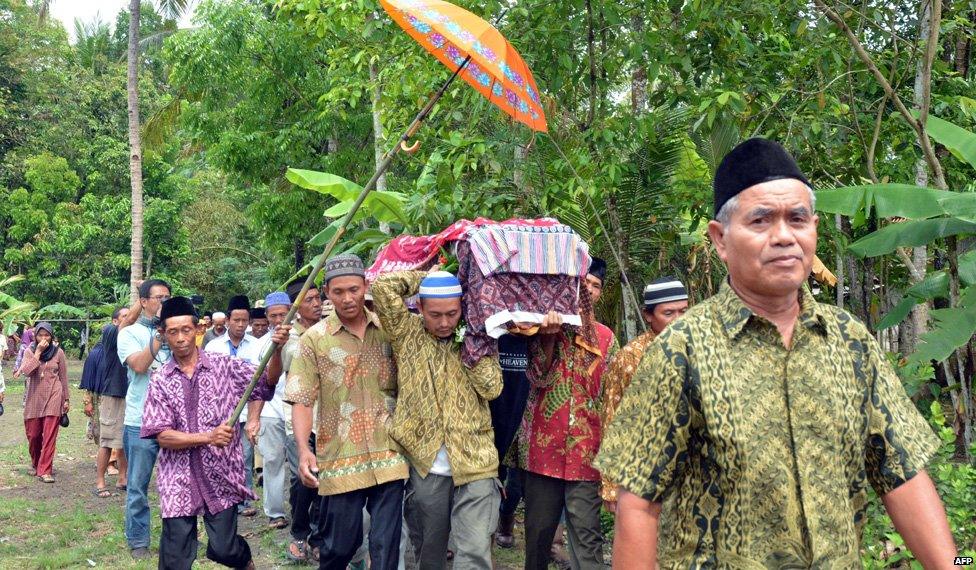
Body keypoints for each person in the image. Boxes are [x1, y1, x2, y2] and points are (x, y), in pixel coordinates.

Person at [596, 138, 958, 567]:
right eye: (761, 220)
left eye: (797, 219)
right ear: (721, 239)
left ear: (814, 229)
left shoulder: (851, 341)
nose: (783, 236)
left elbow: (901, 476)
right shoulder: (681, 350)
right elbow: (639, 503)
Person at [140, 296, 287, 570]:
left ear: (197, 330)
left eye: (186, 330)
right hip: (178, 478)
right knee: (175, 559)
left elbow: (266, 383)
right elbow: (162, 435)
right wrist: (208, 437)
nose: (181, 338)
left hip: (221, 474)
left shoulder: (224, 367)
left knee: (224, 549)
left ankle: (244, 560)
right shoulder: (159, 379)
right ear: (164, 335)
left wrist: (277, 351)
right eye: (173, 332)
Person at [372, 269, 502, 569]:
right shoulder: (406, 332)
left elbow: (493, 388)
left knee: (473, 551)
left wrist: (473, 350)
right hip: (425, 464)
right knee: (429, 553)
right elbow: (382, 287)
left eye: (452, 313)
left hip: (476, 461)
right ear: (419, 307)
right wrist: (428, 276)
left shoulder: (478, 336)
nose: (444, 322)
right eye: (435, 314)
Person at [286, 254, 408, 570]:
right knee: (339, 547)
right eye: (338, 292)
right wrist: (303, 451)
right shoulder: (314, 340)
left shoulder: (390, 331)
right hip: (339, 455)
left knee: (385, 549)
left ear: (365, 287)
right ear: (327, 292)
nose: (347, 298)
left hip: (389, 451)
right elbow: (301, 398)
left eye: (353, 289)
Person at [515, 258, 617, 570]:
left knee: (587, 540)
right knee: (538, 538)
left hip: (587, 456)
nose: (589, 289)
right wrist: (546, 337)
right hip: (541, 452)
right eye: (583, 282)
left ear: (600, 293)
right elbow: (538, 378)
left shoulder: (607, 338)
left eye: (595, 286)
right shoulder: (541, 326)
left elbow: (611, 397)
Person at [599, 276, 688, 510]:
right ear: (648, 315)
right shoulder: (631, 357)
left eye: (683, 311)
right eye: (668, 313)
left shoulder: (701, 349)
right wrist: (611, 487)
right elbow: (613, 418)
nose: (678, 320)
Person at [118, 278, 172, 559]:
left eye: (167, 297)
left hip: (175, 423)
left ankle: (178, 538)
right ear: (144, 302)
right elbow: (139, 366)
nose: (164, 302)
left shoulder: (177, 332)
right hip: (141, 421)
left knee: (176, 483)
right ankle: (139, 541)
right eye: (159, 297)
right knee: (138, 487)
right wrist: (160, 337)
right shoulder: (129, 334)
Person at [274, 281, 324, 563]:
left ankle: (317, 537)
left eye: (319, 298)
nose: (316, 304)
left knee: (323, 480)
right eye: (310, 300)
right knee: (303, 480)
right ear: (297, 306)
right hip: (300, 421)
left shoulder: (330, 329)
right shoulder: (288, 337)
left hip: (327, 418)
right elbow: (288, 364)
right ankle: (299, 534)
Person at [240, 293, 293, 530]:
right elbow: (257, 384)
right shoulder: (261, 345)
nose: (279, 319)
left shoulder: (304, 337)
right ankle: (275, 512)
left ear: (292, 310)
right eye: (274, 316)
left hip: (297, 410)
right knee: (272, 460)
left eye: (284, 314)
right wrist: (253, 418)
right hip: (271, 410)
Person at [205, 295, 260, 517]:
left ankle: (243, 499)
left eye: (244, 320)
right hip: (220, 412)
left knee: (244, 457)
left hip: (246, 412)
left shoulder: (257, 346)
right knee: (221, 456)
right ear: (228, 320)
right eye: (236, 320)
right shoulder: (214, 346)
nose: (240, 325)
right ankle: (222, 496)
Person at [17, 321, 69, 483]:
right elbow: (26, 371)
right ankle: (36, 463)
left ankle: (45, 470)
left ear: (51, 336)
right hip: (34, 398)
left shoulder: (58, 352)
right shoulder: (28, 351)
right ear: (35, 336)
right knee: (33, 435)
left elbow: (63, 377)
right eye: (41, 335)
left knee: (49, 436)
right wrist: (38, 352)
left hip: (54, 395)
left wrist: (66, 399)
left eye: (47, 335)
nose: (44, 338)